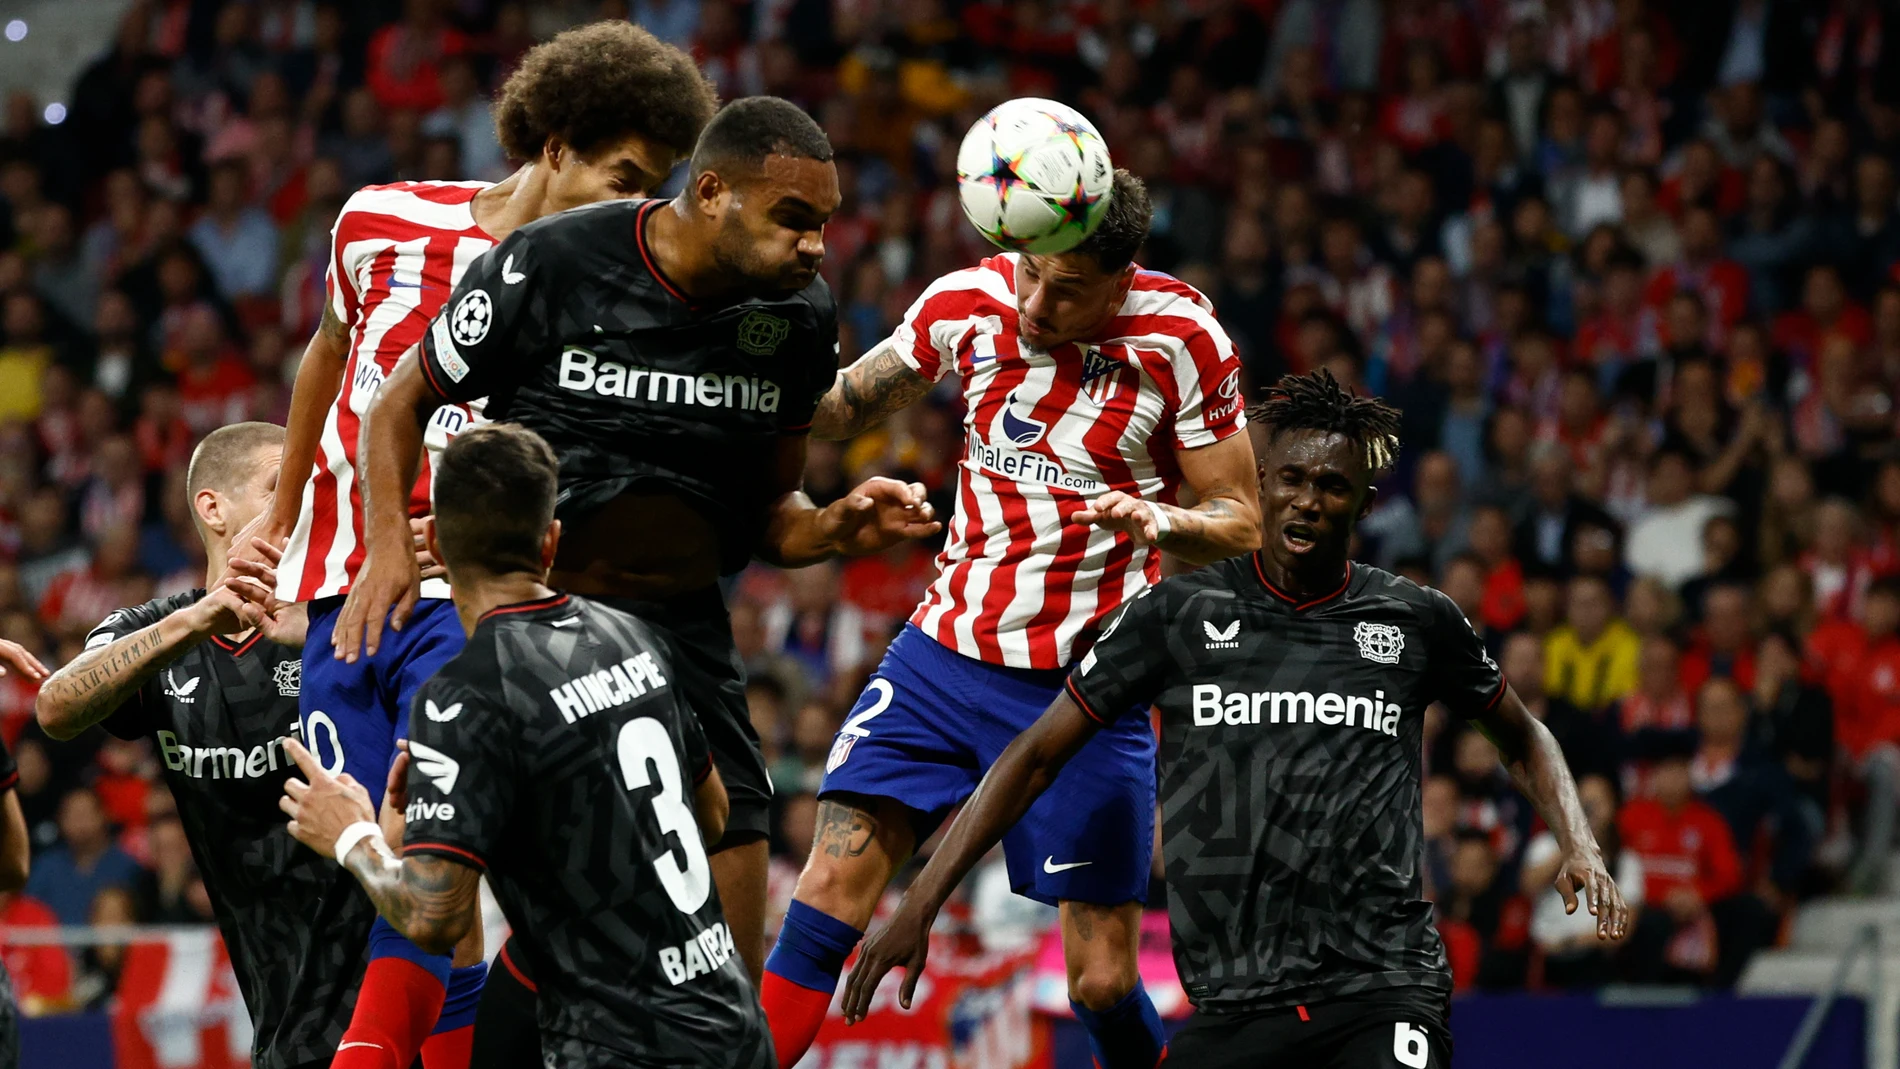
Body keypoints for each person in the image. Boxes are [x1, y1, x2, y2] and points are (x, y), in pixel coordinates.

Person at [338, 96, 938, 1058]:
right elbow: (398, 402)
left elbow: (767, 521)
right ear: (710, 193)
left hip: (683, 629)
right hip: (536, 623)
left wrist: (833, 527)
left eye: (824, 224)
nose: (816, 246)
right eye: (793, 218)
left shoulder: (794, 320)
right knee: (476, 900)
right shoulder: (554, 263)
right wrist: (385, 547)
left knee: (720, 975)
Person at [842, 370, 1628, 1069]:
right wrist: (921, 898)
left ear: (1360, 501)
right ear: (1262, 480)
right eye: (1292, 479)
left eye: (1332, 486)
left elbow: (1523, 734)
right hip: (1234, 1003)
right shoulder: (1177, 616)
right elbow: (1036, 754)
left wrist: (1580, 841)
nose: (1309, 501)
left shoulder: (1414, 619)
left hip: (1382, 985)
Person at [230, 23, 719, 1069]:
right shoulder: (380, 220)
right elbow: (329, 351)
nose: (632, 208)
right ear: (553, 145)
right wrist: (288, 511)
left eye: (650, 189)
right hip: (342, 597)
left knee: (418, 858)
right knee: (378, 870)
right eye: (620, 176)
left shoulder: (609, 294)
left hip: (466, 609)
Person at [764, 170, 1261, 1069]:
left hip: (1087, 690)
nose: (1034, 303)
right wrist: (765, 331)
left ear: (1122, 279)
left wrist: (1167, 521)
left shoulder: (1182, 337)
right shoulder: (969, 298)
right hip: (940, 658)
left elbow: (1243, 519)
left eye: (1066, 290)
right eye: (1029, 272)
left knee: (1103, 981)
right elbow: (836, 411)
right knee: (830, 883)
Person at [277, 424, 770, 1069]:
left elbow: (434, 917)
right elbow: (712, 815)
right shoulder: (632, 633)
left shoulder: (467, 694)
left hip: (616, 1048)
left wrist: (352, 837)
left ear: (436, 549)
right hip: (732, 1026)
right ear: (551, 540)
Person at [31, 422, 372, 1069]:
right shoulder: (156, 635)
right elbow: (55, 705)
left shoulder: (339, 612)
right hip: (281, 1015)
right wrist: (203, 616)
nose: (301, 495)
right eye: (280, 483)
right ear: (213, 508)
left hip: (391, 979)